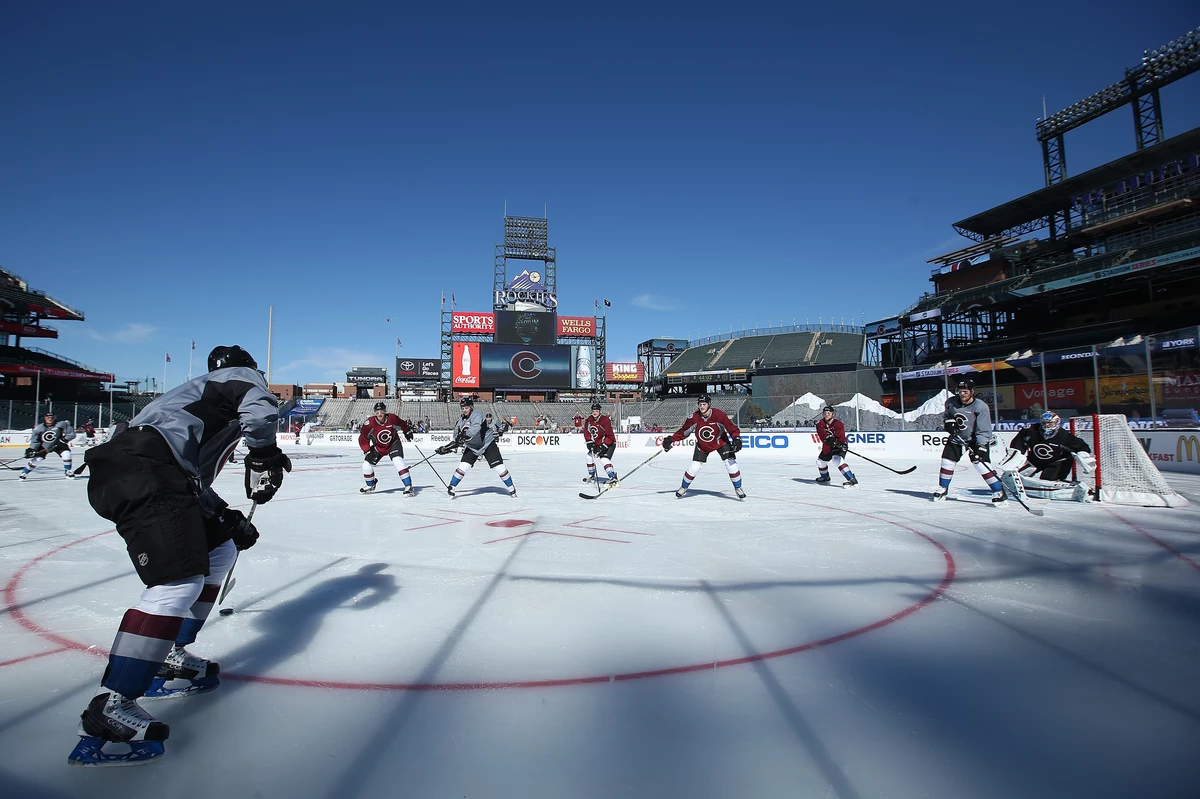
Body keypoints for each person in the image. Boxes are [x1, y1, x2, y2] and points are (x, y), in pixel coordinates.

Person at [68, 345, 289, 766]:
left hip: (138, 471)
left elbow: (187, 481)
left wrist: (224, 515)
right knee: (178, 581)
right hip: (145, 472)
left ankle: (169, 653)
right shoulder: (239, 379)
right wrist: (264, 453)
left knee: (219, 548)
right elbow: (260, 414)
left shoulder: (183, 401)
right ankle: (112, 705)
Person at [934, 378, 1006, 505]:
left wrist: (981, 446)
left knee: (981, 465)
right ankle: (943, 488)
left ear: (972, 392)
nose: (962, 394)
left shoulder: (980, 407)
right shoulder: (951, 402)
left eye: (965, 391)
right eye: (960, 391)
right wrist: (948, 423)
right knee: (947, 462)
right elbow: (947, 416)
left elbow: (984, 429)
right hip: (957, 438)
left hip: (975, 440)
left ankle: (999, 491)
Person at [662, 394, 745, 499]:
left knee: (730, 463)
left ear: (709, 404)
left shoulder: (719, 415)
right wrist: (671, 439)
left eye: (704, 404)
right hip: (703, 445)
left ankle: (738, 488)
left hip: (721, 442)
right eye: (700, 404)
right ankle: (683, 487)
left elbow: (731, 428)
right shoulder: (694, 417)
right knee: (694, 466)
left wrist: (737, 439)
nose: (702, 407)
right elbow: (684, 432)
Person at [999, 411, 1094, 501]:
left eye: (1050, 423)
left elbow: (1082, 446)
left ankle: (1077, 490)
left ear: (1057, 423)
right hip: (1035, 459)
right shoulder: (1032, 430)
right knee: (1009, 475)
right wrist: (1017, 453)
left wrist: (1083, 455)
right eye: (1044, 423)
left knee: (1047, 483)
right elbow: (1019, 441)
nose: (1046, 425)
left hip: (1057, 462)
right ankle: (1008, 488)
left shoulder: (1064, 436)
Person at [437, 397, 515, 498]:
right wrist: (446, 448)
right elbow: (456, 435)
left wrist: (464, 436)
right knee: (463, 466)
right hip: (473, 447)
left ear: (471, 407)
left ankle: (511, 488)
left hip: (487, 444)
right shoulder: (461, 421)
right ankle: (452, 486)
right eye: (463, 408)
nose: (464, 410)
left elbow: (475, 428)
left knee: (499, 467)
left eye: (466, 407)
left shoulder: (477, 415)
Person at [357, 401, 415, 495]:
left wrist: (407, 431)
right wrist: (367, 451)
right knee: (366, 465)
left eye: (382, 412)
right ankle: (371, 485)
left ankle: (408, 486)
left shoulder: (392, 418)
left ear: (385, 411)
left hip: (393, 444)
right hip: (379, 447)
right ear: (375, 413)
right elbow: (363, 438)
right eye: (377, 412)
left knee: (398, 462)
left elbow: (402, 423)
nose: (380, 414)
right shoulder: (369, 423)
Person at [20, 411, 77, 480]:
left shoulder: (61, 424)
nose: (50, 419)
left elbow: (71, 434)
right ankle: (25, 472)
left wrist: (63, 440)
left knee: (67, 454)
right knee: (38, 459)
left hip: (58, 444)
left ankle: (68, 471)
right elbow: (35, 440)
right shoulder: (39, 428)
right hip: (44, 446)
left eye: (52, 417)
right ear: (45, 418)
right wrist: (32, 449)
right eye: (48, 417)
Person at [814, 406, 858, 488]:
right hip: (827, 446)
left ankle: (852, 479)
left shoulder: (838, 423)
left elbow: (841, 436)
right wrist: (827, 438)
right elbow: (821, 434)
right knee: (820, 462)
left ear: (832, 414)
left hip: (838, 445)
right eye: (825, 413)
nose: (826, 415)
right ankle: (825, 477)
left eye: (828, 413)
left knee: (836, 460)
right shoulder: (820, 424)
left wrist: (842, 444)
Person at [582, 402, 619, 484]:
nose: (594, 412)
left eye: (596, 411)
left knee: (604, 459)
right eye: (593, 411)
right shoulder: (589, 420)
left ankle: (613, 477)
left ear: (600, 411)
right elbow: (586, 432)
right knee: (589, 457)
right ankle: (591, 475)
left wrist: (604, 446)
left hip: (609, 443)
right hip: (597, 444)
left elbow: (610, 436)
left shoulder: (605, 420)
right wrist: (589, 442)